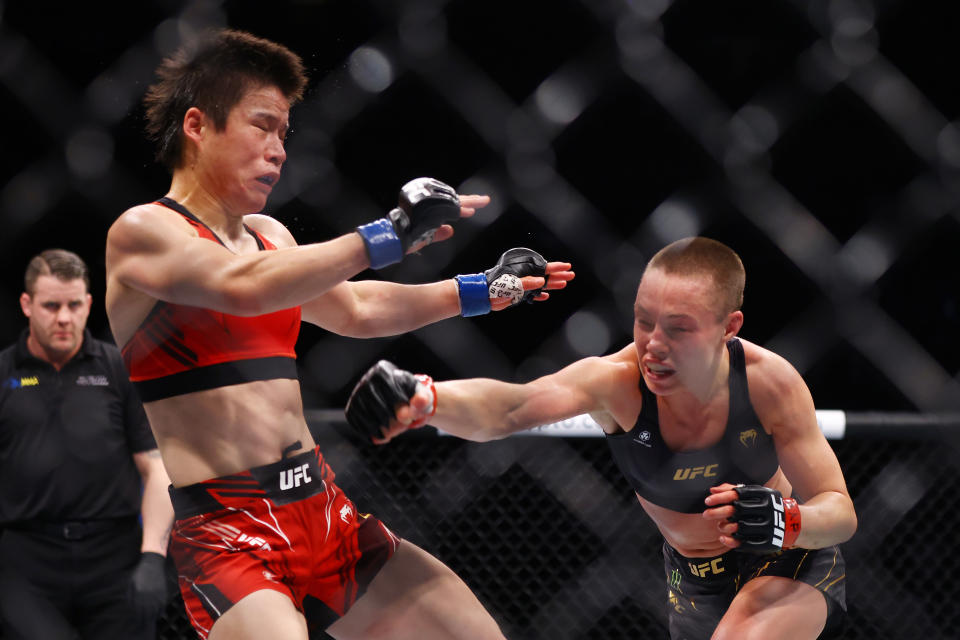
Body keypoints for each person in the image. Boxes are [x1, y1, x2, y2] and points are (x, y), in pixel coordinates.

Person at [104, 28, 574, 640]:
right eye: (262, 125)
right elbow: (242, 284)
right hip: (229, 529)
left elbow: (356, 309)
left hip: (322, 507)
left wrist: (483, 289)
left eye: (284, 133)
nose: (278, 149)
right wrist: (389, 233)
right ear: (197, 125)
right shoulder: (144, 232)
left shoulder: (273, 235)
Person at [346, 236, 857, 640]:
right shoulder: (618, 383)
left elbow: (840, 513)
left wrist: (787, 520)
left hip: (788, 560)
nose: (654, 345)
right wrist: (426, 398)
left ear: (729, 327)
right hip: (695, 579)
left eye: (678, 328)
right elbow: (512, 407)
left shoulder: (769, 383)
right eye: (643, 320)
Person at [0, 249, 173, 640]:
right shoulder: (3, 374)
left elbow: (156, 467)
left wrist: (151, 557)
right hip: (28, 558)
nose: (64, 317)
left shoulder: (118, 371)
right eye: (51, 306)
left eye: (74, 305)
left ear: (89, 304)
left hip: (114, 557)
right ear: (26, 305)